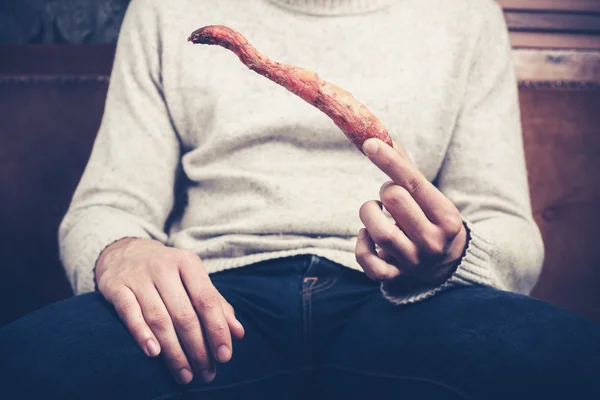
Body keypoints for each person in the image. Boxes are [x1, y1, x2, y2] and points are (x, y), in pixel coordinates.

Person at [1, 0, 599, 398]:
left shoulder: (464, 13)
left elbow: (506, 223)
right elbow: (107, 203)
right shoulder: (165, 7)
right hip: (210, 306)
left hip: (410, 299)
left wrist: (454, 254)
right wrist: (121, 250)